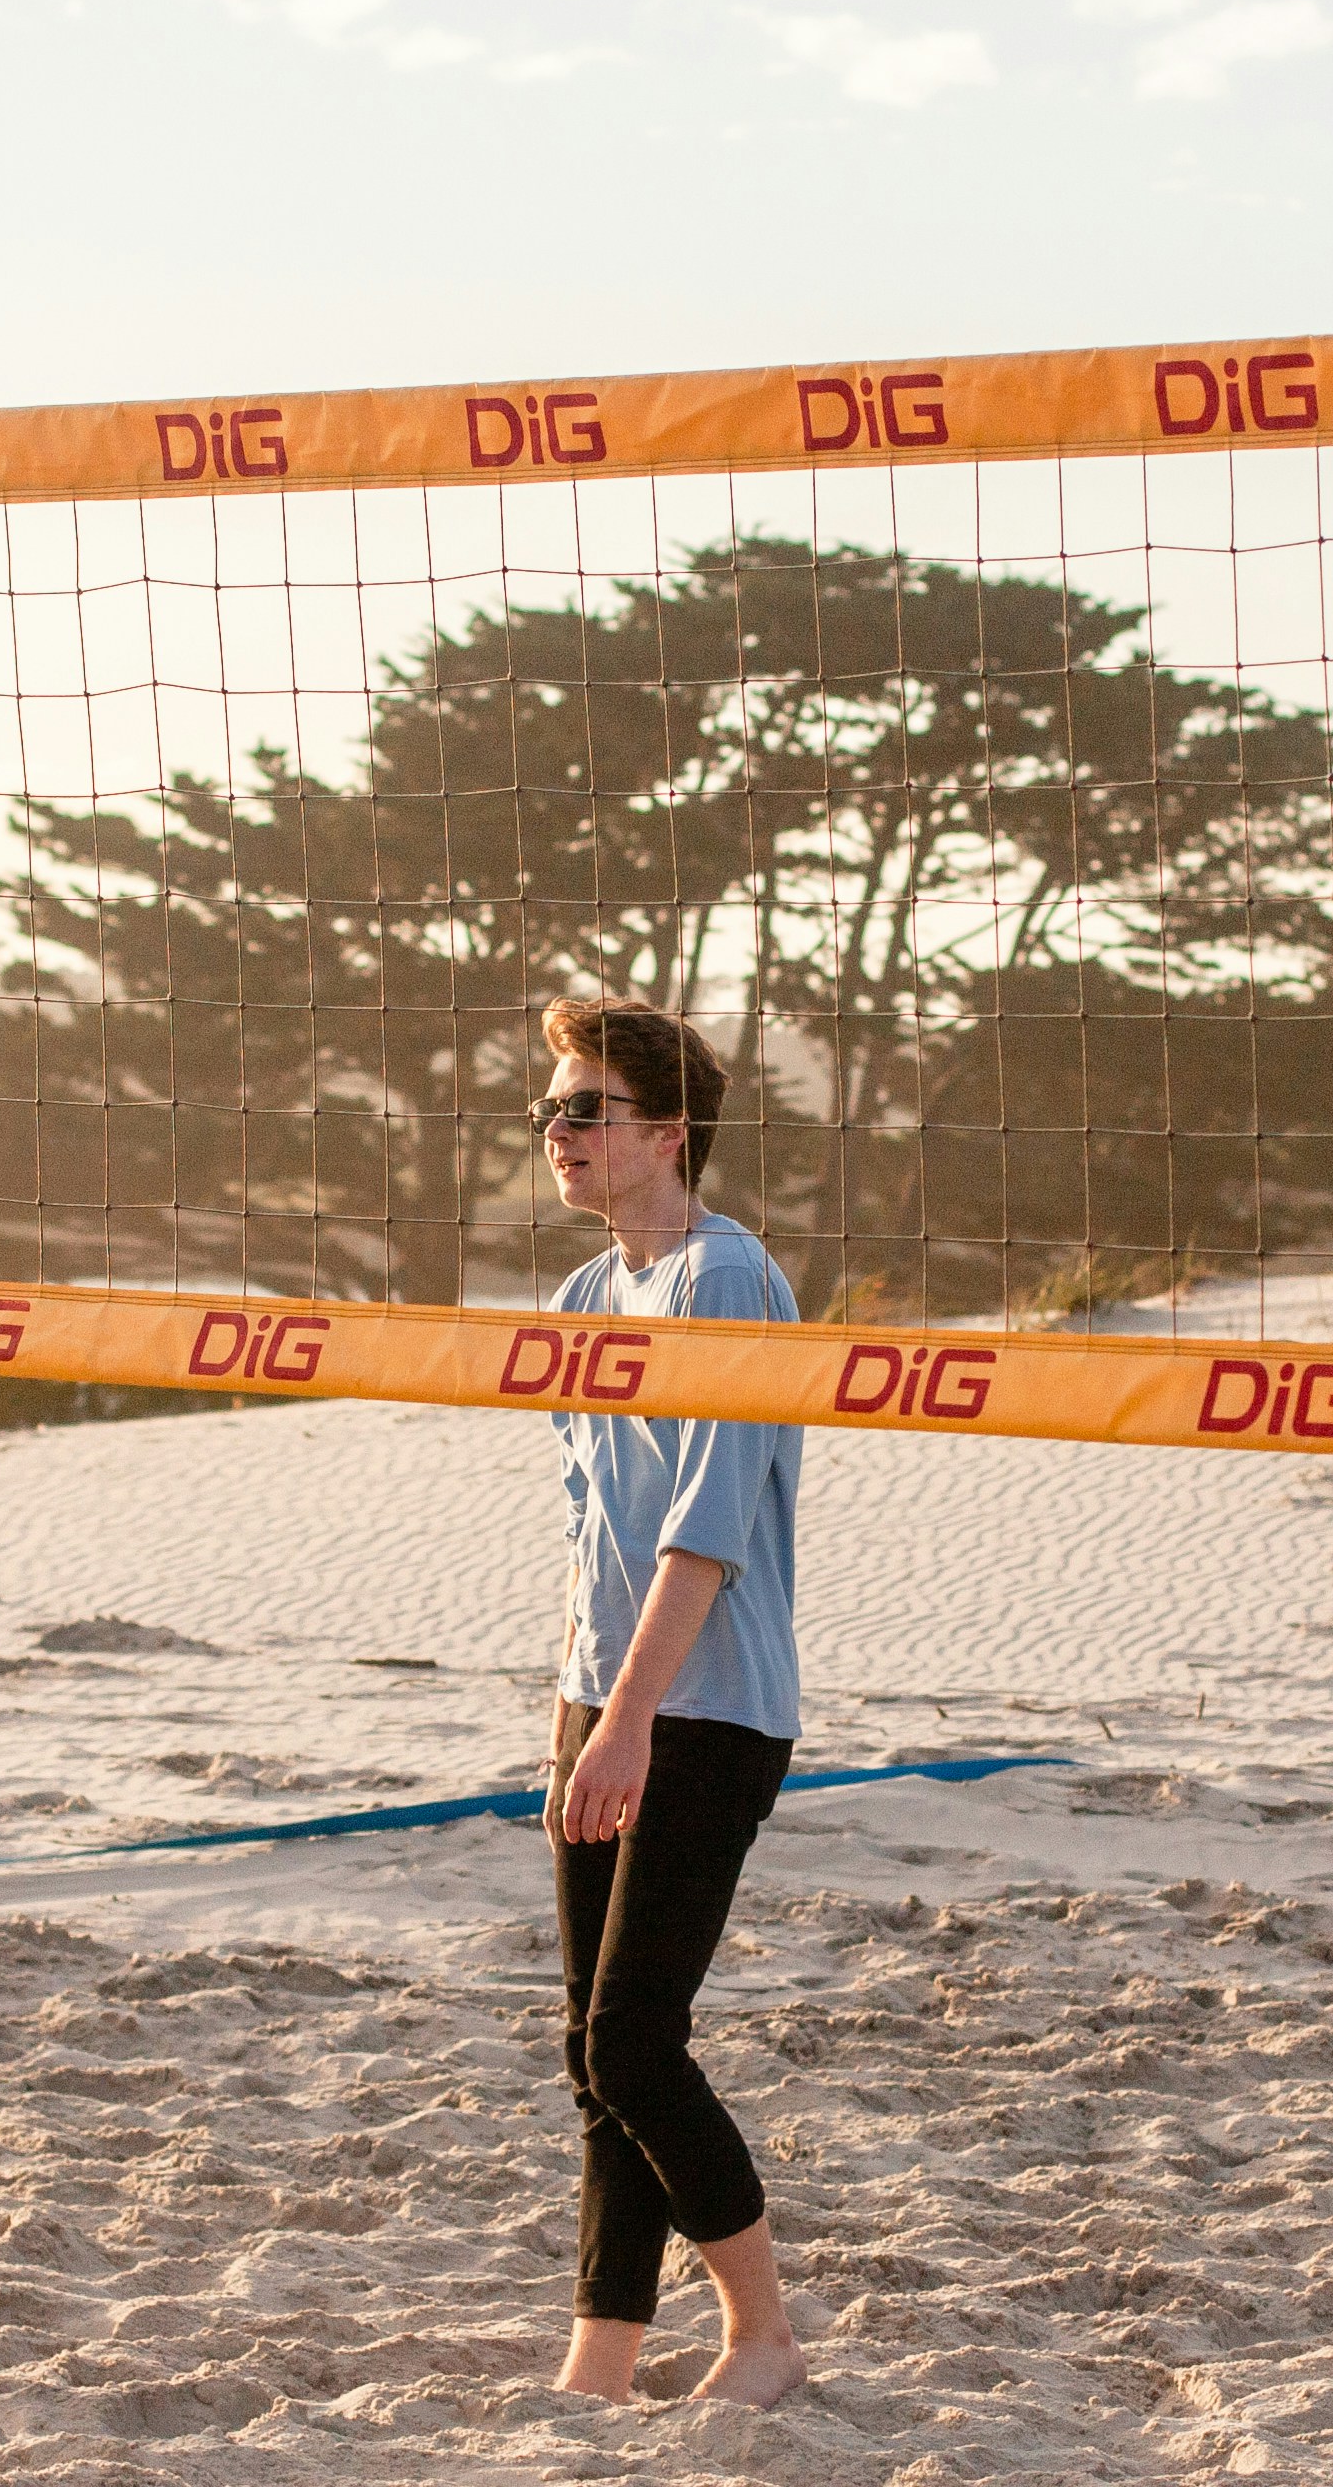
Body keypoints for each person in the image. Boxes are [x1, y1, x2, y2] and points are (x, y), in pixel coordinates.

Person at [531, 994, 809, 2408]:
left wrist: (630, 1719)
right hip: (608, 1694)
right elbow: (596, 1531)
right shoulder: (583, 1300)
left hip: (710, 1706)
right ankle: (603, 2357)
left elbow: (708, 1533)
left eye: (589, 1110)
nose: (561, 1135)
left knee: (638, 2037)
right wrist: (575, 1712)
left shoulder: (729, 1279)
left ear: (667, 1132)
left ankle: (760, 2333)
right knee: (591, 2046)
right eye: (553, 1111)